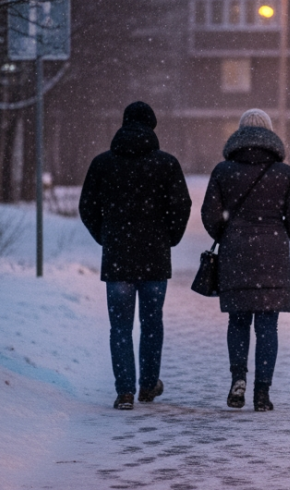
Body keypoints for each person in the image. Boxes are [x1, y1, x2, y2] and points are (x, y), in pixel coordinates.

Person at [80, 101, 192, 410]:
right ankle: (147, 385)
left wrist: (106, 237)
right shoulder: (166, 164)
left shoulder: (103, 163)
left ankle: (125, 391)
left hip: (118, 257)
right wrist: (169, 237)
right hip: (155, 258)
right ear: (152, 127)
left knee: (120, 327)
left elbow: (87, 207)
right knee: (152, 323)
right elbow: (182, 206)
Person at [201, 109, 290, 411]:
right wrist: (278, 233)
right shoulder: (283, 173)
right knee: (267, 326)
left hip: (235, 254)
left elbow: (209, 215)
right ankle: (262, 393)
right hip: (272, 256)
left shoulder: (223, 171)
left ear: (239, 134)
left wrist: (229, 235)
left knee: (238, 320)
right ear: (270, 135)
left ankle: (238, 379)